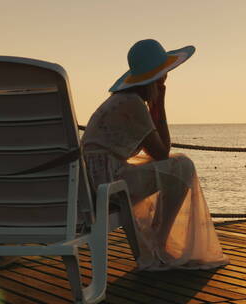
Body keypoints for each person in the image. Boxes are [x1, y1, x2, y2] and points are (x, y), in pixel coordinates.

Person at [82, 39, 228, 271]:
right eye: (163, 75)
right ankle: (159, 240)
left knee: (176, 165)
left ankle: (157, 240)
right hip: (107, 183)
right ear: (156, 78)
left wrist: (155, 105)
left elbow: (157, 151)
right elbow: (162, 152)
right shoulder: (133, 104)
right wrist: (160, 103)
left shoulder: (122, 101)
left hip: (92, 180)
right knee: (182, 167)